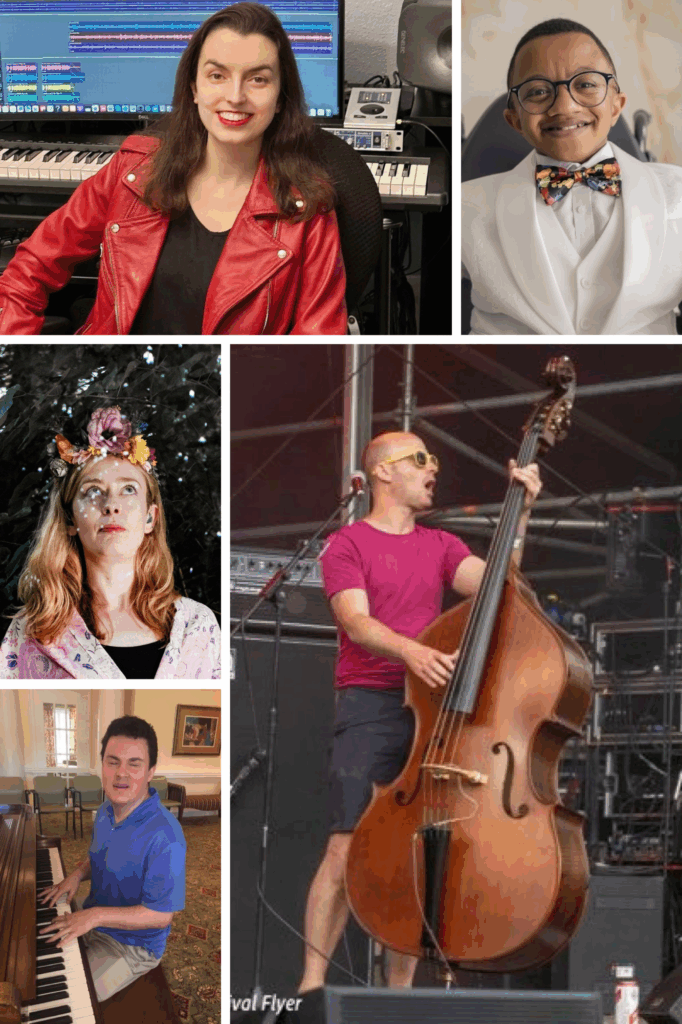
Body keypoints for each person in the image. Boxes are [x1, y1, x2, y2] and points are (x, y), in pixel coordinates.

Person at [298, 431, 542, 993]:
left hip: (434, 711)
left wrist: (521, 514)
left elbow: (502, 585)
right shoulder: (348, 543)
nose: (434, 468)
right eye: (420, 459)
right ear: (383, 472)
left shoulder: (440, 544)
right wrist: (414, 652)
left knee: (417, 850)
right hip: (372, 702)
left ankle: (398, 995)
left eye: (433, 458)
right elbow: (356, 623)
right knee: (344, 842)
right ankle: (311, 986)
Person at [0, 3, 347, 335]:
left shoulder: (308, 211)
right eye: (217, 75)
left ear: (280, 97)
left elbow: (318, 345)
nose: (235, 96)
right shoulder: (131, 172)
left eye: (258, 79)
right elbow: (27, 271)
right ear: (194, 88)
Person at [462, 18, 682, 335]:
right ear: (514, 120)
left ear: (617, 105)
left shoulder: (677, 192)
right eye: (538, 91)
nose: (564, 107)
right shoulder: (465, 207)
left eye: (586, 84)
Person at [0, 404, 220, 679]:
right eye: (93, 490)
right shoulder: (31, 631)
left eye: (128, 489)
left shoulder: (197, 627)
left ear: (150, 518)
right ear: (70, 519)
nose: (111, 505)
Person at [38, 715, 186, 1002]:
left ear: (150, 771)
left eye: (134, 764)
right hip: (95, 917)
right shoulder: (106, 810)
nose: (121, 773)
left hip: (132, 947)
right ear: (102, 765)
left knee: (67, 1001)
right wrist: (77, 874)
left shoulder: (167, 837)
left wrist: (93, 916)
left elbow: (160, 915)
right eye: (113, 761)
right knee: (37, 960)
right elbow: (100, 857)